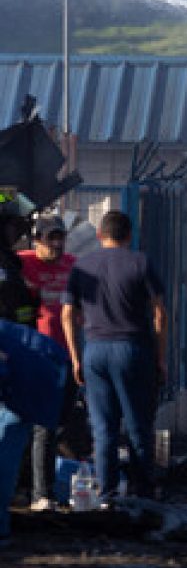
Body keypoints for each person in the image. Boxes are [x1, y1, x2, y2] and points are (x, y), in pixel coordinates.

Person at [62, 210, 166, 505]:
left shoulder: (83, 266)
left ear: (99, 236)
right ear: (129, 235)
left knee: (103, 429)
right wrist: (160, 358)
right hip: (132, 349)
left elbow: (68, 313)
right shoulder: (140, 263)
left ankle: (107, 496)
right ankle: (142, 494)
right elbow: (160, 313)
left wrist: (76, 357)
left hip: (95, 350)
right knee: (137, 426)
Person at [19, 216, 76, 511]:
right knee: (41, 426)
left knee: (57, 425)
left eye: (59, 238)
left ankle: (37, 486)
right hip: (33, 357)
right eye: (49, 238)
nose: (55, 244)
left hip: (65, 357)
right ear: (36, 240)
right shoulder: (21, 263)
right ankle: (40, 492)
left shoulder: (72, 265)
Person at [0, 196, 37, 542]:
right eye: (13, 225)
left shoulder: (10, 264)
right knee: (12, 430)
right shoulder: (5, 267)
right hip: (6, 360)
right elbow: (14, 314)